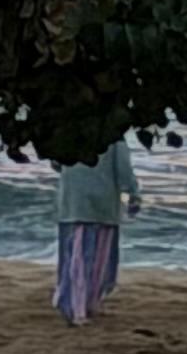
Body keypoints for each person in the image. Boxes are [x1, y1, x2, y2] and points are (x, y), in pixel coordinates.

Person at [52, 137, 140, 326]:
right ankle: (85, 307)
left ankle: (77, 306)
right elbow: (123, 170)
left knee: (76, 258)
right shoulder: (114, 135)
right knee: (98, 260)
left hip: (72, 202)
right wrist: (133, 194)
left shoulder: (66, 130)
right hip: (102, 205)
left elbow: (56, 163)